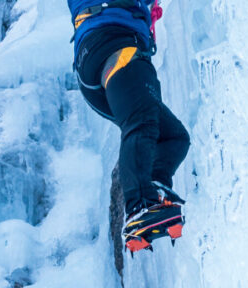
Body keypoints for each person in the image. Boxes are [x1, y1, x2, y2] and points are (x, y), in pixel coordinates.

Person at [67, 0, 190, 253]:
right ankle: (139, 205)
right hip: (111, 42)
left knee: (173, 137)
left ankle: (155, 190)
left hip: (103, 60)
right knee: (142, 121)